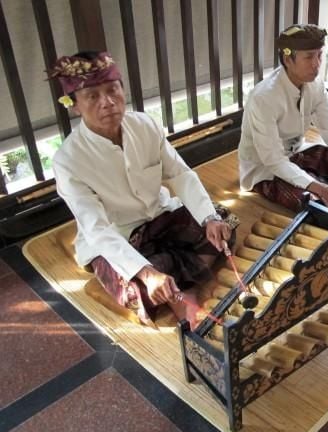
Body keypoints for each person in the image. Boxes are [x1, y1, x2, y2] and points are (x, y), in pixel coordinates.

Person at [49, 51, 239, 328]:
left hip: (161, 216)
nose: (108, 102)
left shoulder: (145, 125)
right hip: (121, 236)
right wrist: (147, 273)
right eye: (92, 96)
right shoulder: (68, 160)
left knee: (224, 224)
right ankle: (179, 285)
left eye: (113, 90)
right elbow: (98, 230)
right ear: (74, 105)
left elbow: (179, 174)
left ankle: (178, 287)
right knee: (135, 291)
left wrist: (208, 218)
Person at [238, 23, 328, 212]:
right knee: (311, 202)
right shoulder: (263, 98)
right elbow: (273, 160)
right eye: (308, 57)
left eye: (319, 55)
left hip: (300, 155)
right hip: (266, 170)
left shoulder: (316, 86)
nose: (317, 64)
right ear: (288, 60)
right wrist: (321, 188)